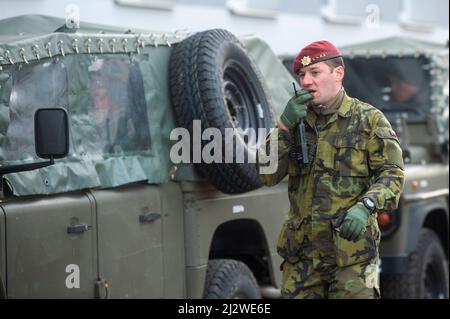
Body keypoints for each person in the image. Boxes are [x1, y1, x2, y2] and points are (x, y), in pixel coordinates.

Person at [257, 40, 405, 299]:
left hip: (353, 259)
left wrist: (366, 206)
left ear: (338, 74)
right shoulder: (295, 122)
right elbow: (266, 174)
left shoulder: (368, 120)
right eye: (302, 75)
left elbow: (392, 174)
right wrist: (282, 126)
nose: (306, 82)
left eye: (315, 73)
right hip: (303, 259)